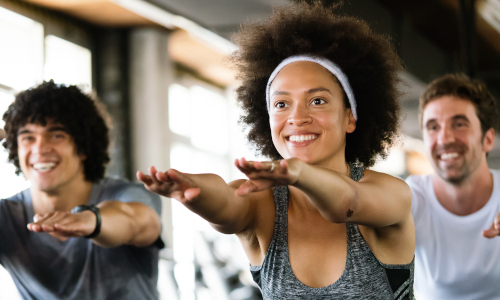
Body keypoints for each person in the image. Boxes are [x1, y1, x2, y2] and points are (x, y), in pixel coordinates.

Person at [139, 2, 415, 299]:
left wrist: (299, 174)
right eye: (281, 104)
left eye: (318, 101)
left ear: (350, 117)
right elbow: (228, 204)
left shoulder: (391, 193)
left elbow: (347, 203)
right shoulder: (264, 205)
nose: (297, 117)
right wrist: (192, 190)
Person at [0, 81, 163, 300]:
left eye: (56, 135)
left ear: (83, 147)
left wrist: (92, 220)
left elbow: (135, 221)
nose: (39, 148)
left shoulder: (126, 194)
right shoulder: (6, 216)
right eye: (27, 137)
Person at [406, 73, 500, 299]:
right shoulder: (411, 196)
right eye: (433, 127)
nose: (445, 138)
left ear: (487, 139)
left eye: (459, 124)